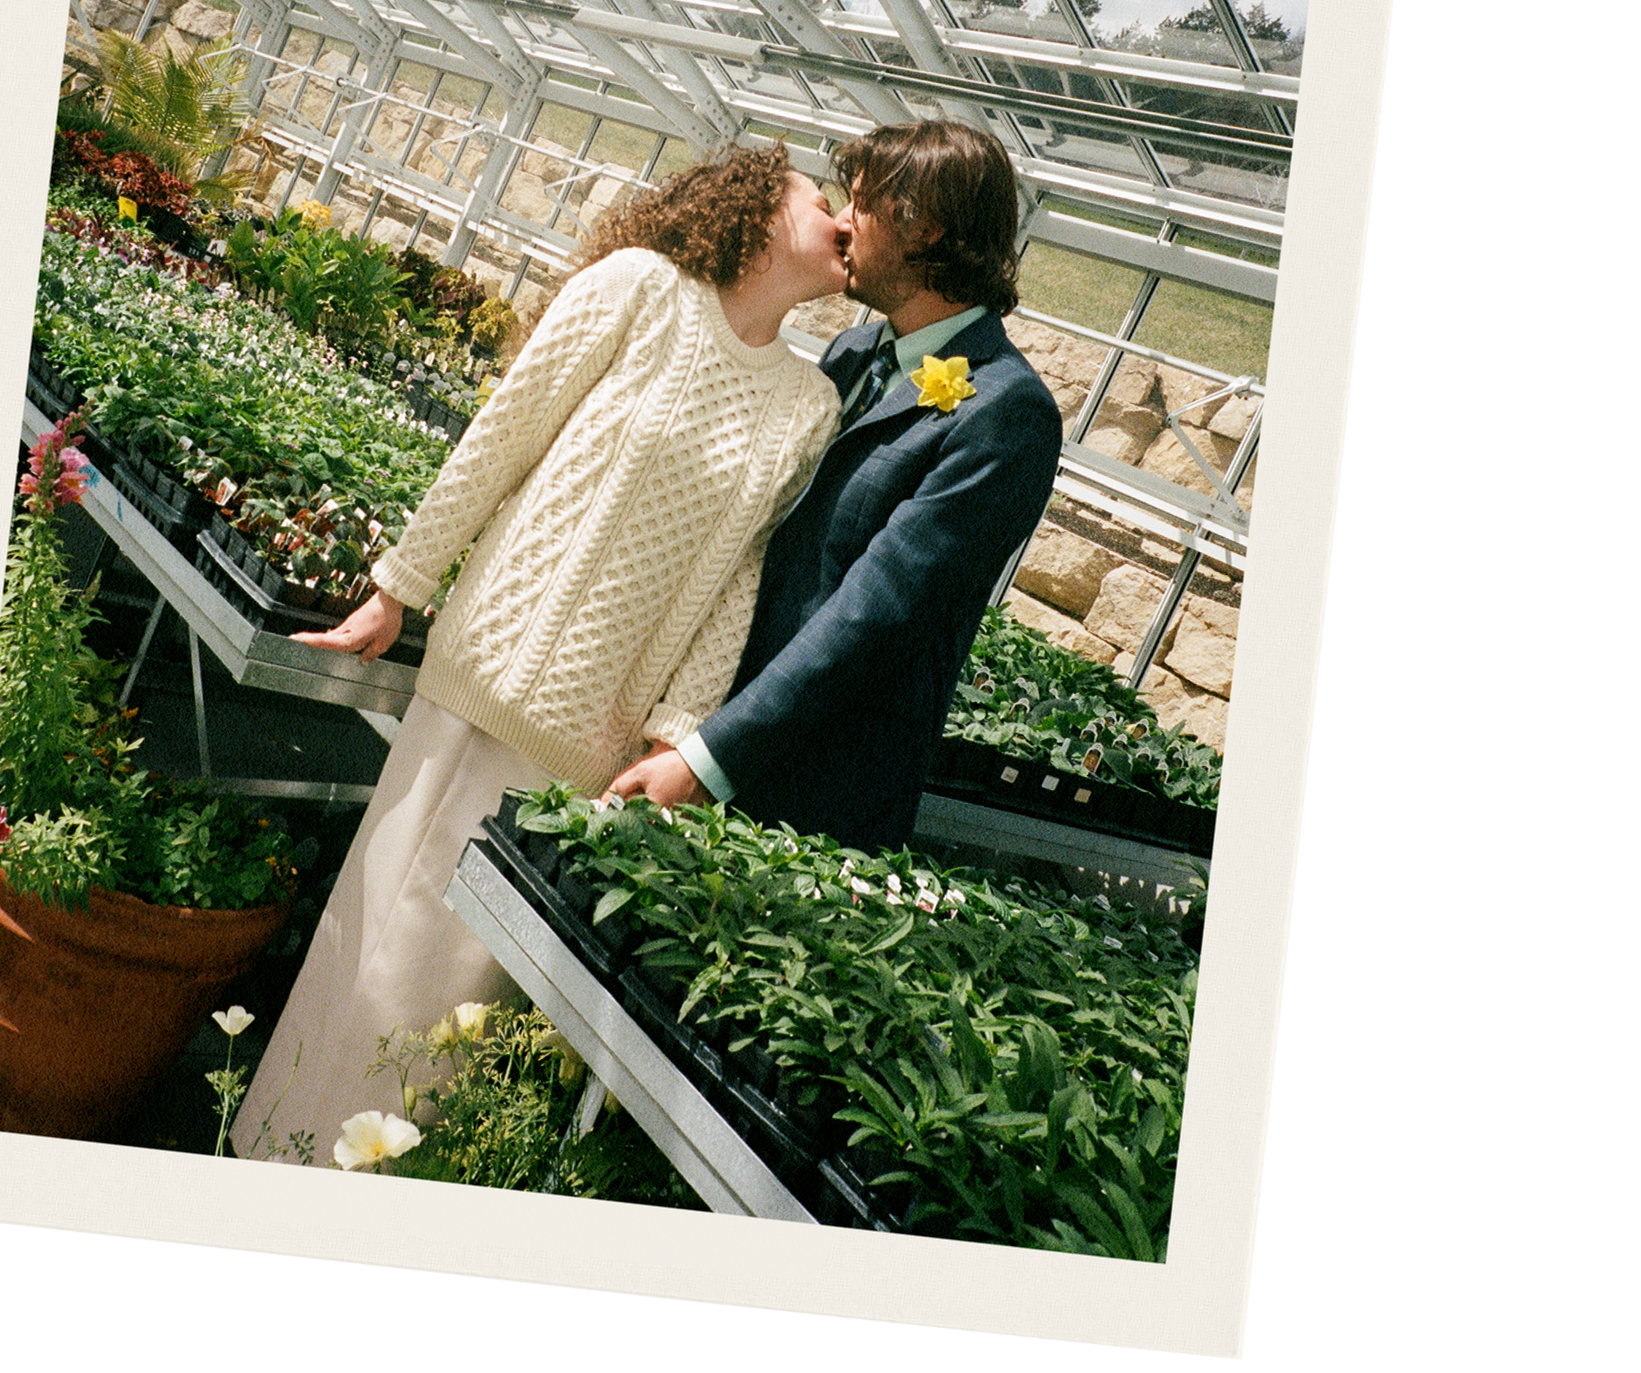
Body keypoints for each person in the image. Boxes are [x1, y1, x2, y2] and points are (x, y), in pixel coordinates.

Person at [231, 141, 846, 1164]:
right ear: (749, 208)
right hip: (491, 675)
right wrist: (397, 588)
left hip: (594, 749)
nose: (837, 217)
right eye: (815, 196)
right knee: (377, 960)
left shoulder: (807, 401)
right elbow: (500, 435)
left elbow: (740, 575)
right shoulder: (641, 290)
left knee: (453, 1026)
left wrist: (676, 736)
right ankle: (271, 1165)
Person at [608, 119, 1063, 853]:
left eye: (862, 205)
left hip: (806, 797)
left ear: (929, 230)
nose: (841, 225)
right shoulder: (854, 353)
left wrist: (709, 757)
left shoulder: (1006, 414)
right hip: (699, 731)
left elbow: (876, 614)